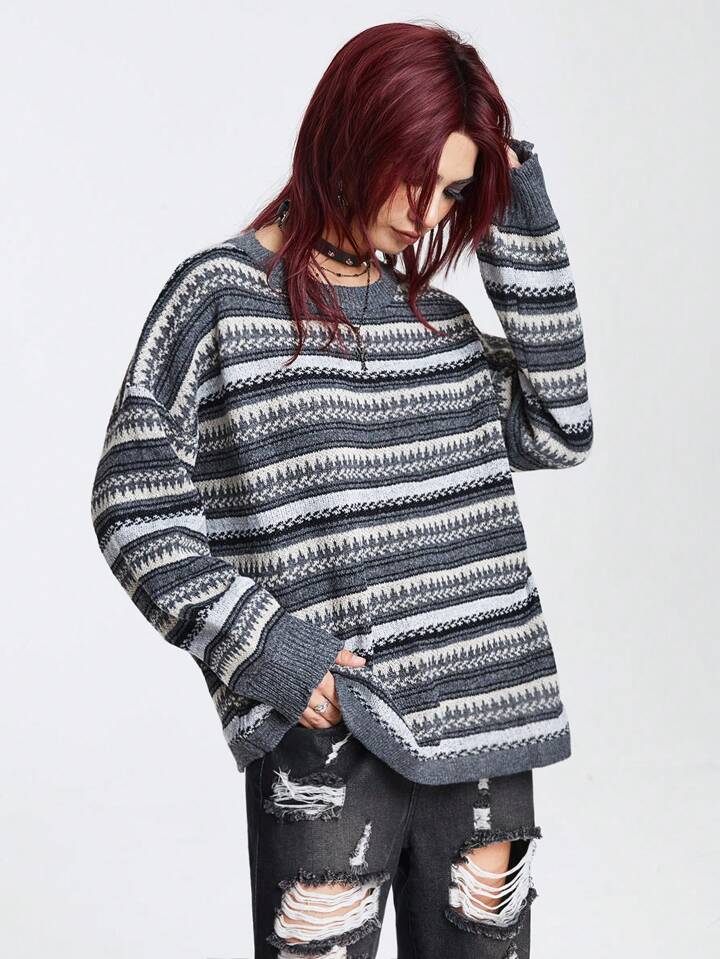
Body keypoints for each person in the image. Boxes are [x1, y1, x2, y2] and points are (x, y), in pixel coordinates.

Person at [90, 20, 592, 959]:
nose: (427, 214)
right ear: (355, 133)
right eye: (415, 175)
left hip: (489, 728)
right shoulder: (221, 299)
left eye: (453, 191)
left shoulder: (435, 324)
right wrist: (270, 651)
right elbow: (134, 507)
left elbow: (559, 425)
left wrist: (516, 201)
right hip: (331, 742)